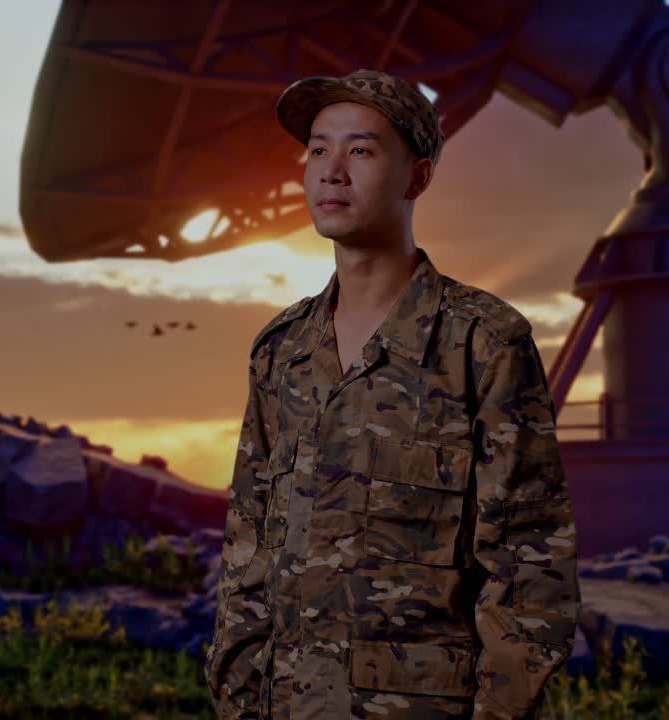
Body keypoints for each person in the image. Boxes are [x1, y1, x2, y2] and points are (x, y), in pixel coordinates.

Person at [203, 68, 581, 720]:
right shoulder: (282, 351)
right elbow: (248, 552)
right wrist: (239, 702)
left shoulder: (483, 344)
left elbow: (528, 570)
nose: (332, 172)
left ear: (418, 176)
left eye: (362, 150)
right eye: (318, 150)